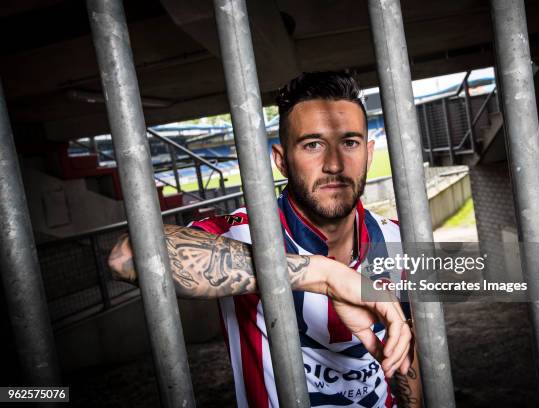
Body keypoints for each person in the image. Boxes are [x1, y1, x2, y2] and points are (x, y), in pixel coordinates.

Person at [109, 71, 420, 407]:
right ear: (281, 161)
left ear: (368, 153)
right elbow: (126, 256)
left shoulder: (399, 238)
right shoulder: (243, 232)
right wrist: (325, 275)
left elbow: (408, 351)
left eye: (349, 142)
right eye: (313, 144)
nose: (334, 164)